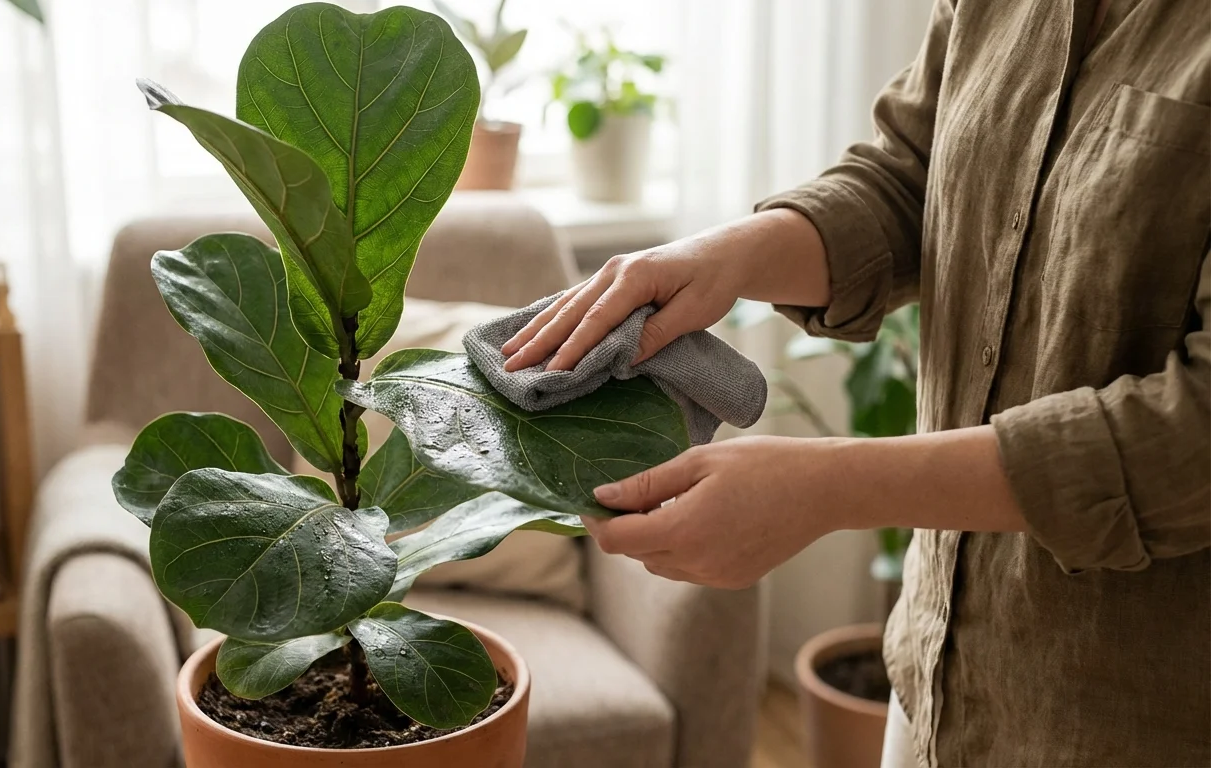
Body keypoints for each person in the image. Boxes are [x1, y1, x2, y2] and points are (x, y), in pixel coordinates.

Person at [501, 0, 1209, 765]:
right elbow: (913, 176)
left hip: (1139, 720)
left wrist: (832, 488)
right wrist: (732, 254)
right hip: (937, 677)